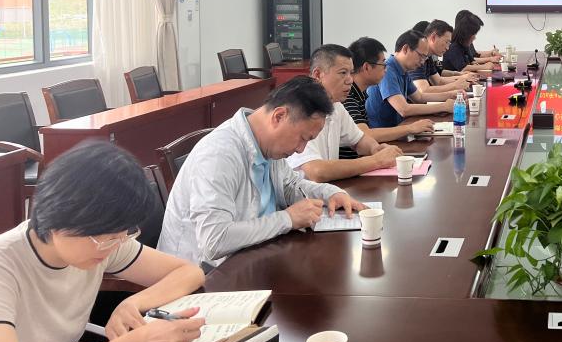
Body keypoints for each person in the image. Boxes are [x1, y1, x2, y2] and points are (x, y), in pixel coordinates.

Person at [0, 143, 206, 342]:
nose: (114, 246)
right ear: (57, 219)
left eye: (121, 235)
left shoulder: (102, 243)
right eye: (105, 238)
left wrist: (133, 303)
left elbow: (188, 272)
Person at [158, 76, 366, 267]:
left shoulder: (267, 145)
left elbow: (290, 185)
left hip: (254, 257)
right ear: (279, 116)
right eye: (303, 138)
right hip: (204, 275)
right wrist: (287, 219)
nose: (301, 149)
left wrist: (330, 193)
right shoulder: (219, 154)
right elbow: (214, 240)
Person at [286, 44, 402, 181]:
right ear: (318, 75)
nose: (350, 80)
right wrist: (377, 160)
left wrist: (376, 149)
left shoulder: (336, 105)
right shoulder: (300, 108)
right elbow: (317, 171)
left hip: (329, 189)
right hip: (303, 193)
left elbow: (359, 140)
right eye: (342, 73)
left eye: (351, 73)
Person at [341, 38, 435, 157]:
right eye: (383, 64)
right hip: (354, 162)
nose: (386, 69)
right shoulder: (347, 96)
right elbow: (364, 134)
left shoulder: (360, 93)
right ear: (367, 67)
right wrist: (410, 128)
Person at [365, 30, 455, 128]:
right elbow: (404, 109)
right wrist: (443, 106)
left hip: (399, 128)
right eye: (421, 56)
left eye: (425, 58)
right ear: (406, 49)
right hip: (385, 133)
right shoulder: (388, 70)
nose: (422, 62)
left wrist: (451, 95)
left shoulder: (403, 70)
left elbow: (419, 97)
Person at [407, 20, 477, 97]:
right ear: (433, 37)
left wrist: (463, 79)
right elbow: (423, 90)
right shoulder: (417, 57)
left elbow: (438, 81)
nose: (447, 48)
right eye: (446, 42)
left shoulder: (428, 57)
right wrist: (455, 86)